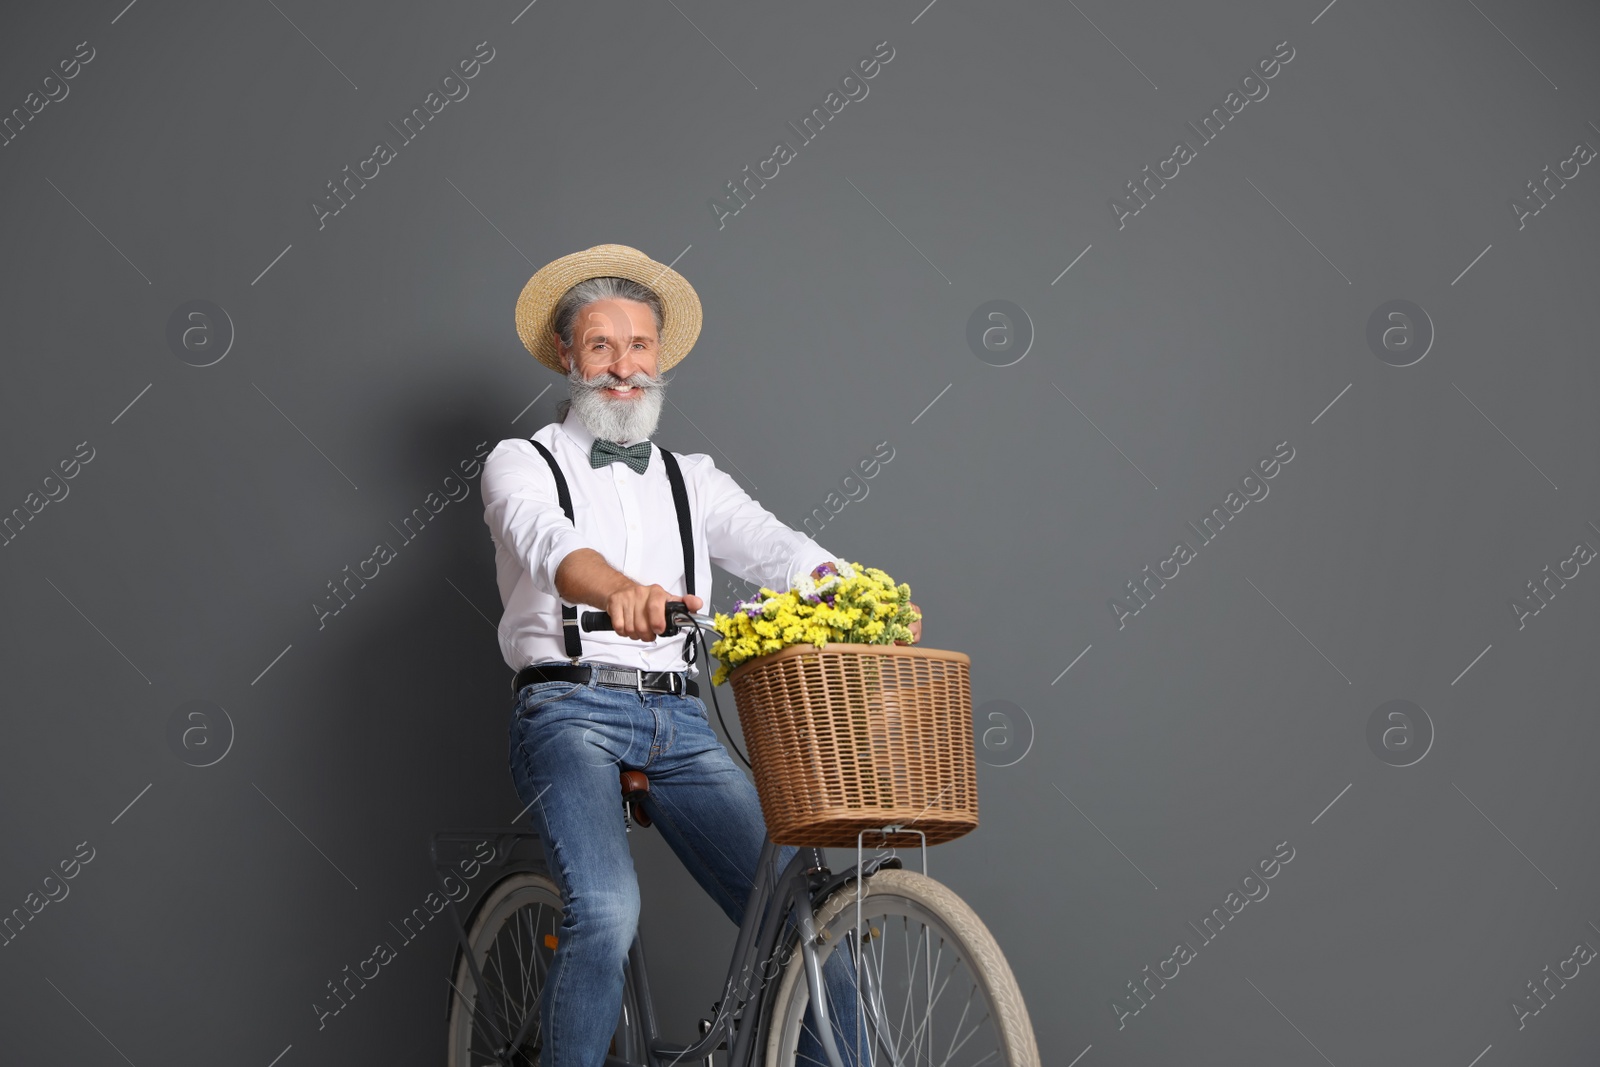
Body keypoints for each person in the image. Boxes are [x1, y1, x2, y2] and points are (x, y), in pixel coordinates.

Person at [480, 244, 919, 1065]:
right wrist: (617, 591)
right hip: (567, 711)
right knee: (607, 909)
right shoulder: (522, 461)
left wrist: (863, 598)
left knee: (803, 908)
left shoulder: (693, 479)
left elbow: (776, 545)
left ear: (659, 360)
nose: (623, 366)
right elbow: (548, 542)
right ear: (568, 356)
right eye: (602, 345)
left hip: (678, 717)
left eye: (639, 346)